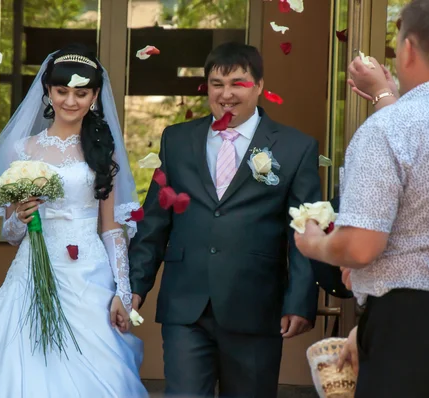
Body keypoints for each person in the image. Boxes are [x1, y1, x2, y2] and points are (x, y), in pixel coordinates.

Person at [295, 0, 429, 396]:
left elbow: (361, 247)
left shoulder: (391, 129)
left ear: (408, 48)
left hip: (412, 331)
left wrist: (315, 243)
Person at [0, 44, 148, 397]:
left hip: (89, 270)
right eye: (62, 91)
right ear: (48, 91)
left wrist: (122, 290)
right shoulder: (23, 149)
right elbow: (11, 232)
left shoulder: (104, 150)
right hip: (33, 268)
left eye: (81, 93)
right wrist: (22, 217)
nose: (70, 101)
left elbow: (111, 228)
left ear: (95, 96)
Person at [129, 42, 321, 397]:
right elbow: (155, 222)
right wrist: (134, 288)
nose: (226, 93)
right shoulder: (177, 139)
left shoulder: (296, 147)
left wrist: (299, 301)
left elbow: (304, 230)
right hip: (186, 304)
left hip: (255, 304)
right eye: (217, 84)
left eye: (238, 83)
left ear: (259, 85)